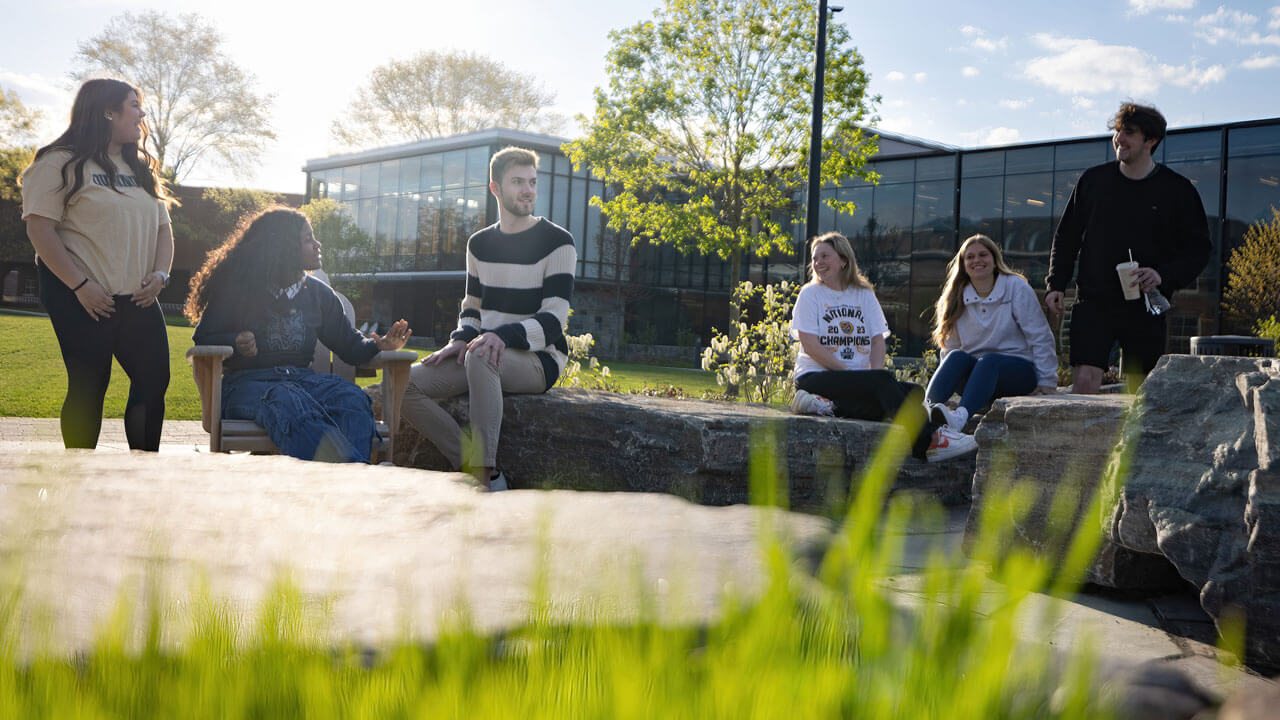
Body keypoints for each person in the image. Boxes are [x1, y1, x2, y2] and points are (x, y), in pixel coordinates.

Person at [400, 146, 576, 490]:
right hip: (484, 352)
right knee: (401, 383)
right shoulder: (479, 244)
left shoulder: (558, 242)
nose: (528, 190)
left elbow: (555, 318)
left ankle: (485, 476)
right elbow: (471, 309)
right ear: (495, 188)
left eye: (532, 182)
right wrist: (459, 340)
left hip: (539, 358)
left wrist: (502, 337)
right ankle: (466, 457)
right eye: (517, 182)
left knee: (483, 355)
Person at [20, 78, 176, 451]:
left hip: (137, 299)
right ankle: (79, 476)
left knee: (153, 381)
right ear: (108, 112)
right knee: (89, 385)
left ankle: (142, 471)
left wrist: (161, 274)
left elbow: (163, 230)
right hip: (80, 297)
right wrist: (79, 286)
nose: (141, 114)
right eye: (133, 105)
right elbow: (40, 229)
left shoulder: (140, 169)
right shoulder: (59, 163)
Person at [185, 207, 412, 463]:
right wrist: (235, 342)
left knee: (352, 398)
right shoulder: (239, 291)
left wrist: (382, 346)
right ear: (283, 247)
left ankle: (345, 479)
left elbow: (349, 346)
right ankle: (355, 477)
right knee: (288, 401)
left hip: (305, 382)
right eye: (307, 239)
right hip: (247, 386)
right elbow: (203, 340)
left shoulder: (319, 295)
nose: (317, 244)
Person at [1045, 102, 1211, 393]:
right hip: (1094, 299)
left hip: (1146, 304)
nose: (1119, 139)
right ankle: (1080, 441)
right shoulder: (1093, 181)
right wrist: (1056, 283)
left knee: (1140, 389)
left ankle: (1132, 441)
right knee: (1084, 380)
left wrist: (1163, 275)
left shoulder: (1178, 190)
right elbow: (1067, 236)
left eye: (1129, 133)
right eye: (1118, 131)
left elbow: (1198, 250)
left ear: (1151, 140)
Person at [790, 232, 977, 463]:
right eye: (815, 258)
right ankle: (930, 441)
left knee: (913, 392)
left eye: (824, 256)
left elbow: (877, 340)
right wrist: (857, 376)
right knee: (887, 388)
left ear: (843, 260)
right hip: (815, 376)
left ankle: (827, 406)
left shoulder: (863, 294)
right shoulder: (810, 294)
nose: (818, 263)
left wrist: (873, 376)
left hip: (854, 380)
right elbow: (809, 345)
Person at [924, 234, 1059, 431]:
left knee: (988, 361)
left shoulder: (1015, 287)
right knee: (955, 357)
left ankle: (959, 419)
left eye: (983, 255)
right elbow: (949, 347)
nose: (977, 260)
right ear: (963, 264)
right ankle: (924, 412)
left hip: (1017, 373)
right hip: (977, 381)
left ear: (995, 260)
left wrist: (1047, 381)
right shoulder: (954, 296)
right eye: (970, 257)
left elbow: (1040, 335)